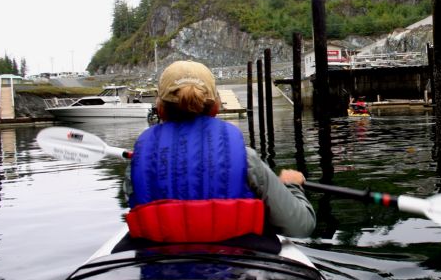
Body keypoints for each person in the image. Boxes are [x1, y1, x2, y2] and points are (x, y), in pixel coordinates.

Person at [124, 60, 314, 243]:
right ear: (215, 107)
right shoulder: (246, 159)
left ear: (160, 109)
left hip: (161, 271)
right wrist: (291, 186)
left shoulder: (137, 163)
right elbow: (301, 226)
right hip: (233, 269)